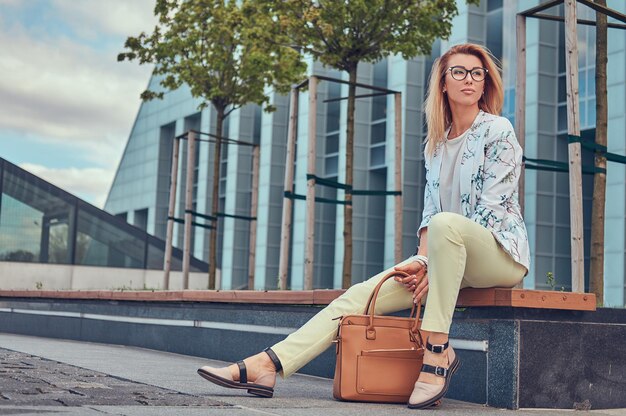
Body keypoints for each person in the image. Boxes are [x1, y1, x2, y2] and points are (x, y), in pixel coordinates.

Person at [197, 43, 530, 409]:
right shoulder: (434, 145)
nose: (469, 79)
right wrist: (422, 264)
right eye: (459, 72)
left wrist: (432, 265)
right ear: (442, 84)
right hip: (444, 258)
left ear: (485, 84)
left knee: (446, 224)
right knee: (360, 296)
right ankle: (267, 365)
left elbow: (491, 210)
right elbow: (428, 216)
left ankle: (436, 354)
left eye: (477, 73)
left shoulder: (498, 130)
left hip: (498, 256)